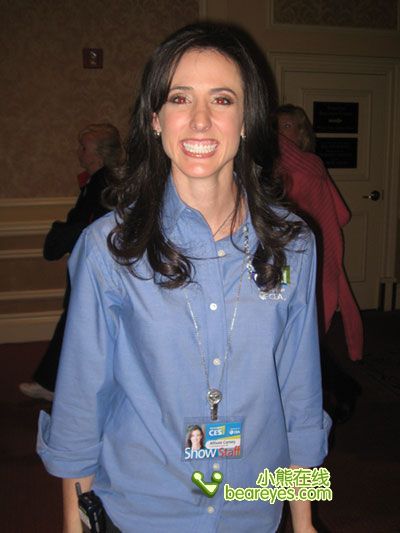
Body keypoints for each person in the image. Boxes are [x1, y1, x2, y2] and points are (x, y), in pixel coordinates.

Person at [38, 23, 331, 532]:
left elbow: (300, 398)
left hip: (252, 508)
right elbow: (82, 404)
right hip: (143, 510)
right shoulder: (109, 248)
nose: (199, 120)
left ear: (247, 119)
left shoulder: (294, 243)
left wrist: (303, 521)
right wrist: (73, 523)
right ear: (155, 118)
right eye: (179, 98)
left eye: (222, 99)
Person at [19, 123, 123, 401]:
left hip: (95, 267)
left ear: (99, 154)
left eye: (84, 147)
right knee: (76, 321)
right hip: (90, 263)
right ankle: (56, 383)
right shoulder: (100, 180)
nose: (79, 152)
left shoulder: (105, 183)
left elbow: (99, 227)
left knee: (77, 321)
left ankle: (56, 385)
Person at [277, 104, 363, 361]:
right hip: (290, 247)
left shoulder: (306, 163)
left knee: (317, 298)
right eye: (276, 126)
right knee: (290, 294)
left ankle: (304, 359)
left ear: (301, 131)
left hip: (316, 244)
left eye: (287, 126)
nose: (280, 132)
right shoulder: (301, 165)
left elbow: (342, 215)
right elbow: (343, 214)